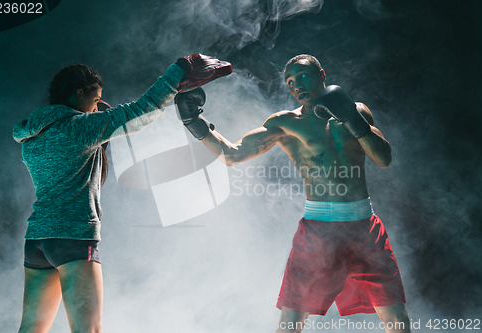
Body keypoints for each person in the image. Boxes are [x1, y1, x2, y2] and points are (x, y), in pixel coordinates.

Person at [175, 54, 410, 333]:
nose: (296, 85)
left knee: (397, 322)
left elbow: (383, 159)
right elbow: (232, 155)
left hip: (364, 228)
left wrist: (350, 117)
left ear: (322, 74)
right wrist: (194, 123)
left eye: (302, 76)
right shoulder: (285, 124)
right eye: (290, 81)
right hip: (317, 232)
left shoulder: (357, 110)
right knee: (289, 326)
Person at [12, 53, 227, 333]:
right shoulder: (81, 127)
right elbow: (143, 110)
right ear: (80, 94)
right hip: (72, 238)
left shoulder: (31, 136)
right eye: (95, 98)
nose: (97, 105)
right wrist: (179, 71)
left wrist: (97, 123)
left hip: (38, 240)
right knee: (89, 330)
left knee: (31, 329)